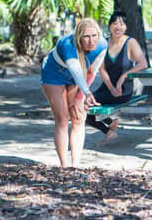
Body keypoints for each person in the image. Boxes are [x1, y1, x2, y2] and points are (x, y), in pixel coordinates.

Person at [41, 18, 107, 168]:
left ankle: (75, 165)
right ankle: (64, 165)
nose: (91, 41)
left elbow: (91, 72)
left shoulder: (102, 45)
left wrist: (81, 97)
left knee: (78, 116)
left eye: (94, 35)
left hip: (75, 78)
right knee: (63, 119)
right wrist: (87, 92)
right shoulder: (68, 45)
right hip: (53, 75)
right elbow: (77, 71)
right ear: (79, 38)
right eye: (86, 37)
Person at [86, 11, 148, 142]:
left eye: (122, 23)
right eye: (114, 23)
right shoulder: (104, 43)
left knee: (84, 105)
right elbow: (102, 69)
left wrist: (123, 77)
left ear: (126, 27)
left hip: (123, 91)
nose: (118, 27)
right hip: (106, 88)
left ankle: (109, 127)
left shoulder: (131, 43)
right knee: (82, 104)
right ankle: (109, 127)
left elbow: (143, 63)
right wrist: (111, 87)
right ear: (109, 26)